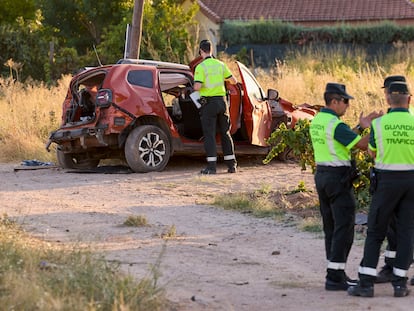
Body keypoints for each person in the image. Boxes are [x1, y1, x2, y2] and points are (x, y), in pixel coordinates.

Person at [309, 83, 380, 291]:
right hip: (337, 178)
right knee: (345, 226)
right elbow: (362, 145)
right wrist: (376, 127)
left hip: (322, 175)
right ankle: (335, 277)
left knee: (330, 226)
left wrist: (360, 127)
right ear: (334, 101)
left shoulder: (319, 120)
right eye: (345, 101)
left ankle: (334, 273)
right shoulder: (335, 124)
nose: (347, 106)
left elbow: (342, 139)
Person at [348, 81, 414, 298]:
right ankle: (400, 284)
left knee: (376, 231)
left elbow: (373, 153)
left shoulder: (378, 125)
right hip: (411, 182)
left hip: (386, 181)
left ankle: (366, 283)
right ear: (410, 99)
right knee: (406, 232)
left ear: (387, 99)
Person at [375, 75, 414, 286]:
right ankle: (392, 268)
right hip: (400, 180)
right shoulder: (387, 119)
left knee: (405, 228)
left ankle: (395, 269)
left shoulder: (402, 118)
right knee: (396, 229)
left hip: (398, 179)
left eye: (386, 91)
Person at [193, 39, 238, 174]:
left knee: (210, 135)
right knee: (225, 133)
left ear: (201, 51)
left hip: (209, 104)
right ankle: (232, 165)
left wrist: (195, 88)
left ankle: (212, 167)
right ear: (211, 50)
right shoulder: (220, 65)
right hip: (223, 103)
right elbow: (234, 81)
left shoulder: (201, 67)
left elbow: (197, 87)